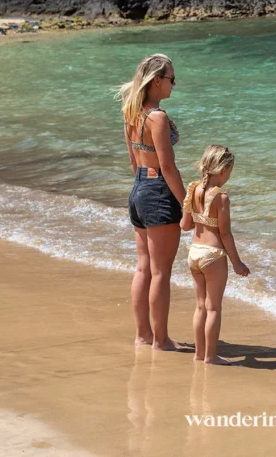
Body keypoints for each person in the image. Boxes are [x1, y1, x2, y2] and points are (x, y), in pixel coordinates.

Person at [118, 53, 188, 351]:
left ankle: (143, 334)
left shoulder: (131, 111)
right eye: (172, 78)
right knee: (160, 272)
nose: (175, 84)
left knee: (143, 268)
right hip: (158, 190)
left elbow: (134, 161)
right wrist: (188, 204)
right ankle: (161, 340)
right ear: (157, 81)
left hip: (139, 190)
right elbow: (168, 166)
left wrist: (142, 189)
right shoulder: (156, 117)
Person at [181, 145, 250, 364]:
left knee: (200, 306)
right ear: (222, 171)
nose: (229, 176)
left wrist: (199, 217)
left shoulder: (193, 189)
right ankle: (210, 356)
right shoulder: (221, 197)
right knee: (213, 308)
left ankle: (199, 353)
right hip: (213, 255)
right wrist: (237, 262)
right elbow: (226, 234)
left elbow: (185, 225)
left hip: (194, 253)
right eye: (230, 171)